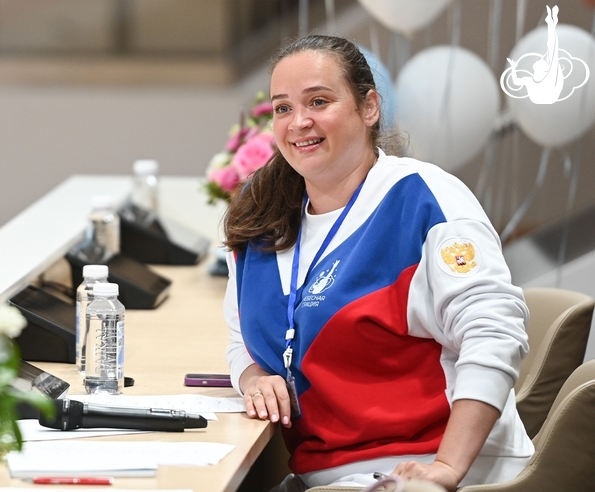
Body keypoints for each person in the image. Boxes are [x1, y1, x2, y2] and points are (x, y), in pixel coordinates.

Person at [222, 34, 533, 492]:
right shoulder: (261, 216)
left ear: (369, 108)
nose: (299, 122)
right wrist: (254, 378)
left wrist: (446, 468)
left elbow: (494, 333)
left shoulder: (423, 198)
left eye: (319, 101)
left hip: (431, 468)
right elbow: (238, 339)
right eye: (283, 108)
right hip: (325, 475)